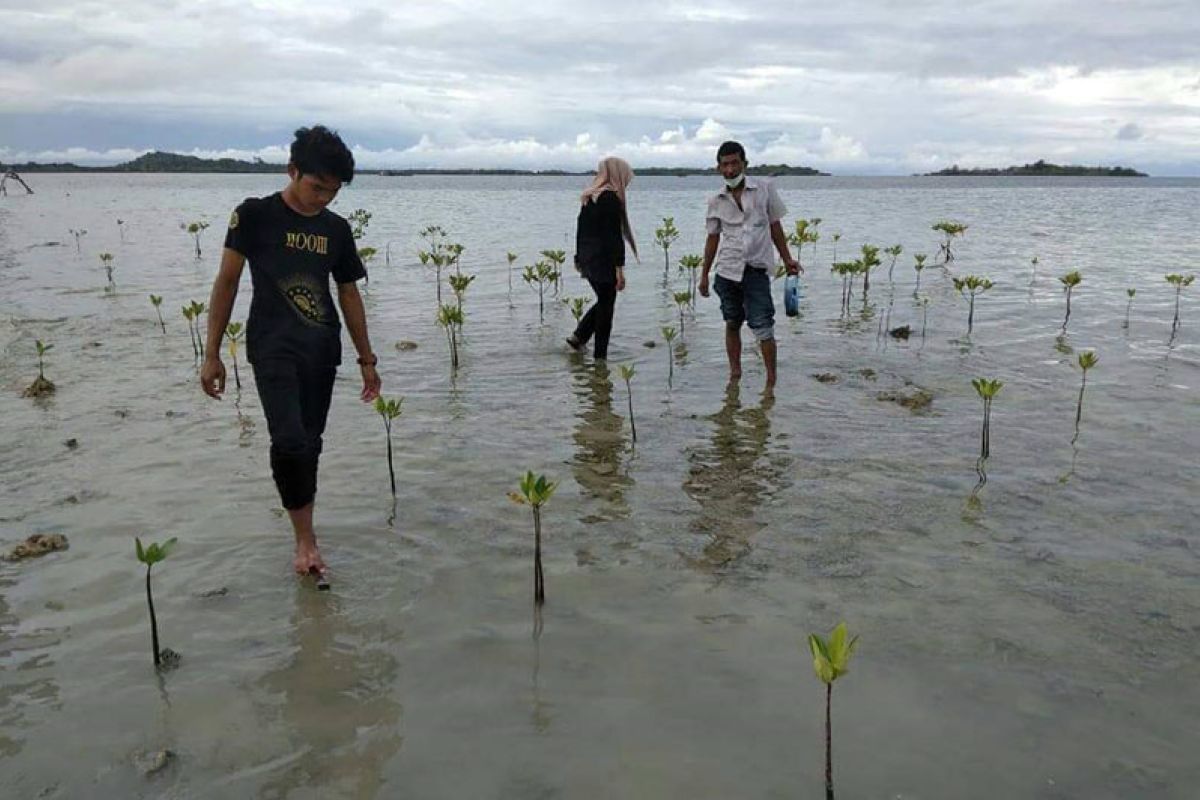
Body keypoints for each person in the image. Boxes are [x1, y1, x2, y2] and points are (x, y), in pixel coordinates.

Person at [200, 125, 381, 581]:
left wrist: (367, 360)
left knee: (311, 445)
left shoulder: (336, 230)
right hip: (272, 346)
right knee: (290, 440)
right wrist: (212, 353)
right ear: (292, 170)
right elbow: (227, 282)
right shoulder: (254, 216)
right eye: (316, 187)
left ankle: (307, 530)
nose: (323, 198)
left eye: (333, 192)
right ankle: (304, 541)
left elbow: (349, 295)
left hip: (321, 349)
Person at [698, 141, 801, 389]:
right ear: (718, 168)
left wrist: (788, 259)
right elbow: (712, 238)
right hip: (726, 271)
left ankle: (771, 382)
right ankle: (735, 375)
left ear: (744, 163)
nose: (730, 169)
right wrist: (703, 275)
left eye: (735, 163)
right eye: (725, 164)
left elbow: (775, 225)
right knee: (732, 322)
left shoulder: (764, 189)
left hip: (755, 269)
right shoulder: (716, 200)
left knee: (763, 326)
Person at [566, 156, 639, 360]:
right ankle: (600, 357)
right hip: (603, 260)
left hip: (588, 258)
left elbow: (581, 230)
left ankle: (579, 337)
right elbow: (613, 236)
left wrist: (578, 258)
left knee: (604, 301)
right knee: (606, 307)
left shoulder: (590, 197)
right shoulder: (609, 199)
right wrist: (619, 269)